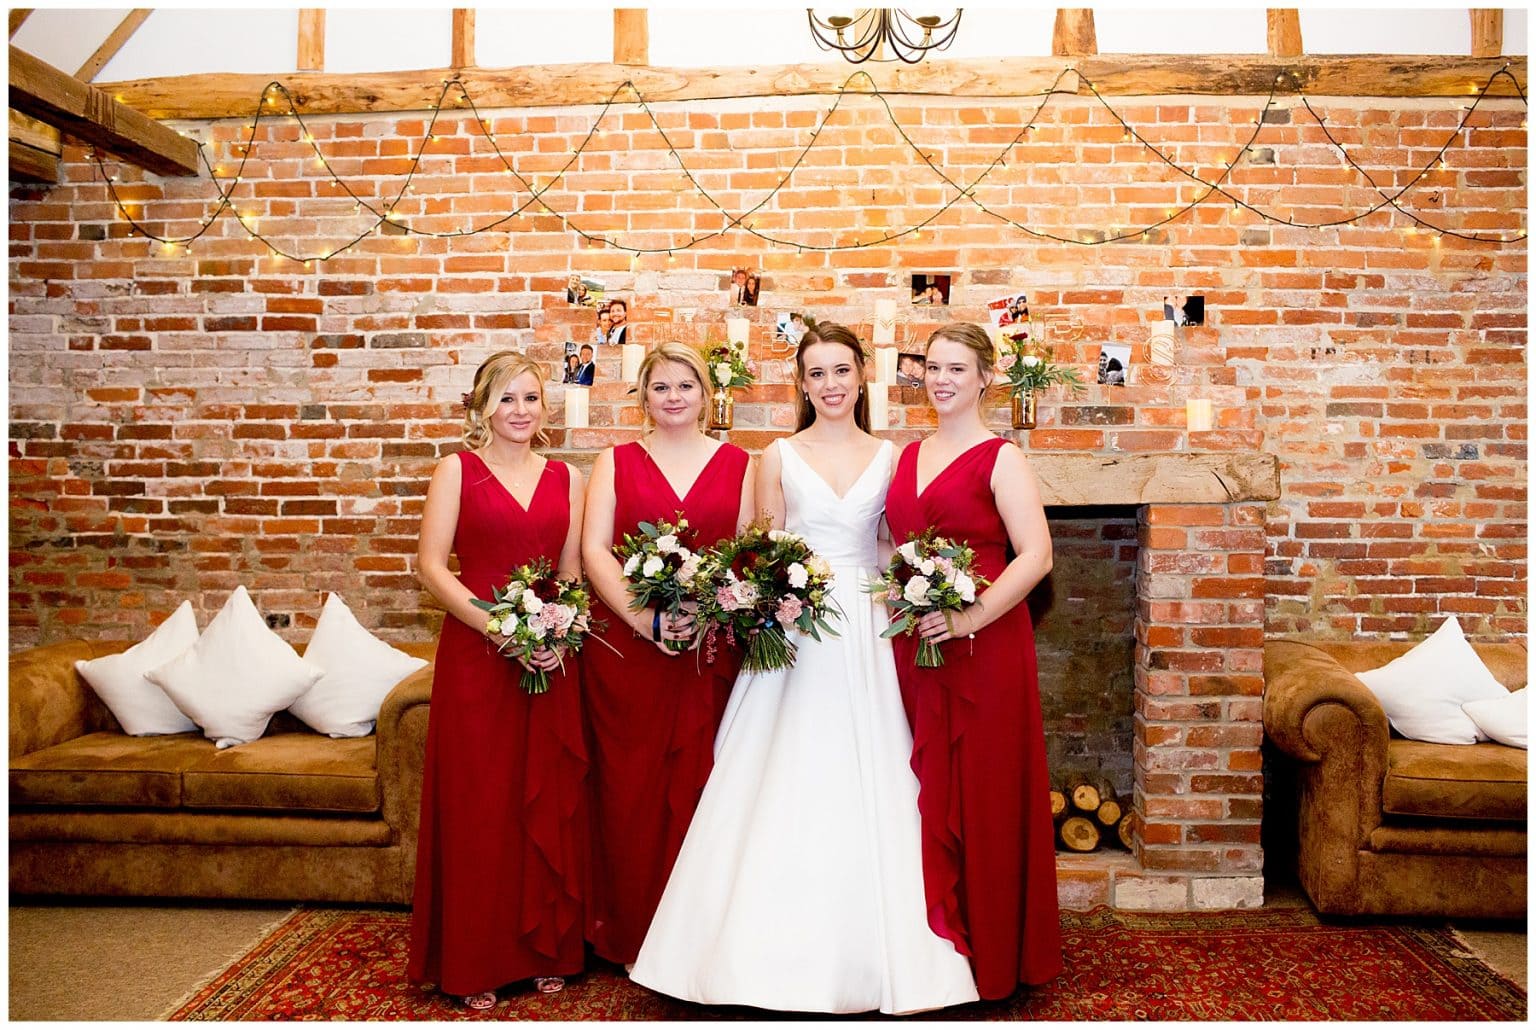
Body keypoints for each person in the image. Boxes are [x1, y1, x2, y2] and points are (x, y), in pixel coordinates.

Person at [630, 324, 978, 1014]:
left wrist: (924, 591)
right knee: (781, 771)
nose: (830, 385)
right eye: (816, 373)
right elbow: (763, 548)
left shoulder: (892, 457)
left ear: (861, 376)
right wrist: (774, 596)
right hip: (796, 629)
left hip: (867, 628)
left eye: (841, 370)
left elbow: (889, 547)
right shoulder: (778, 456)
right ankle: (746, 957)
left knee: (872, 768)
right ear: (802, 384)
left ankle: (885, 957)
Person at [882, 322, 1062, 1000]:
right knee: (924, 786)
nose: (942, 379)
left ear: (986, 377)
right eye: (933, 367)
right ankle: (934, 956)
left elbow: (1037, 555)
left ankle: (992, 953)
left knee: (984, 792)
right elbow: (889, 545)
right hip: (916, 643)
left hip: (985, 645)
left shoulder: (1001, 457)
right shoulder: (907, 456)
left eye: (957, 368)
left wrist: (968, 617)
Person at [408, 353, 589, 1010]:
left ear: (545, 408)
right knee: (480, 806)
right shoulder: (456, 470)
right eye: (507, 398)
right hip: (478, 658)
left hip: (548, 658)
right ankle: (475, 957)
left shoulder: (568, 477)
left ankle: (548, 949)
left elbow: (570, 573)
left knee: (543, 796)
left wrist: (558, 633)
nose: (520, 410)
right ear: (482, 406)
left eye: (531, 398)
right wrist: (498, 629)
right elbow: (431, 566)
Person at [580, 341, 754, 967]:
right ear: (644, 398)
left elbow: (745, 552)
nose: (673, 397)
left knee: (707, 785)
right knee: (630, 792)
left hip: (710, 650)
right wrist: (643, 618)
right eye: (660, 387)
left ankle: (699, 943)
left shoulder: (742, 464)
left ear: (707, 395)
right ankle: (632, 931)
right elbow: (594, 550)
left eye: (686, 385)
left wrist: (708, 611)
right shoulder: (615, 462)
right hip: (629, 656)